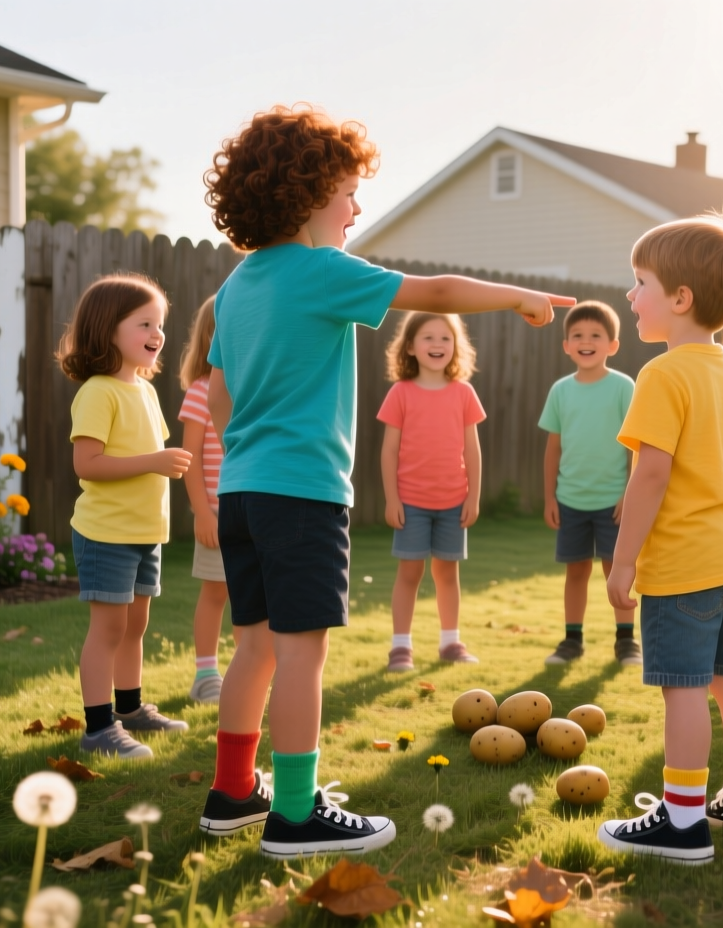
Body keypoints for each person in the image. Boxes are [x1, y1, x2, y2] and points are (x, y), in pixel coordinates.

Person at [194, 104, 570, 855]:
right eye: (347, 191)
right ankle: (296, 815)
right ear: (305, 195)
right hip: (301, 492)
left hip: (243, 488)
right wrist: (517, 297)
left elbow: (222, 392)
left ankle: (233, 793)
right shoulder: (317, 270)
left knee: (255, 647)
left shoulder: (236, 287)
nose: (357, 207)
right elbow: (432, 294)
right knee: (301, 652)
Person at [600, 214, 723, 865]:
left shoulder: (663, 372)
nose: (631, 295)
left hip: (684, 561)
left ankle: (682, 823)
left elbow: (653, 470)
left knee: (682, 686)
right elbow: (689, 463)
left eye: (640, 282)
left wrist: (624, 559)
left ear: (679, 299)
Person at [58, 273, 192, 759]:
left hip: (143, 533)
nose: (157, 334)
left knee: (135, 628)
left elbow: (146, 451)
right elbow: (87, 465)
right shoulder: (98, 392)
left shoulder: (145, 391)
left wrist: (165, 463)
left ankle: (130, 709)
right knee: (109, 629)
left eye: (160, 324)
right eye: (144, 324)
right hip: (106, 533)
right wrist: (156, 462)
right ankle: (98, 728)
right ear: (108, 328)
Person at [380, 312, 486, 672]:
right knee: (409, 574)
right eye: (428, 338)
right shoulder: (401, 393)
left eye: (445, 338)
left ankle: (450, 642)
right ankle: (400, 648)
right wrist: (392, 499)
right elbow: (389, 451)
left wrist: (473, 496)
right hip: (410, 502)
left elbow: (472, 450)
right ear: (410, 347)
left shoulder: (464, 393)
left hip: (454, 501)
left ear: (456, 346)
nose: (438, 345)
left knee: (447, 574)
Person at [539, 301, 639, 667]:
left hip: (614, 501)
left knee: (616, 570)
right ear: (566, 345)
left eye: (596, 335)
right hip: (570, 501)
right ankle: (572, 640)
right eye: (577, 336)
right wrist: (549, 496)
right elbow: (553, 448)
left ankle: (627, 641)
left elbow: (636, 447)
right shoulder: (561, 391)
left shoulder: (624, 388)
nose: (586, 341)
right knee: (576, 570)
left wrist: (630, 495)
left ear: (612, 344)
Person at [177, 296, 244, 705]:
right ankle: (206, 674)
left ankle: (246, 671)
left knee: (250, 597)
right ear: (208, 338)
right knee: (216, 592)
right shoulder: (201, 391)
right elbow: (191, 459)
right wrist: (202, 511)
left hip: (252, 509)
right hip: (217, 513)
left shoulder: (255, 387)